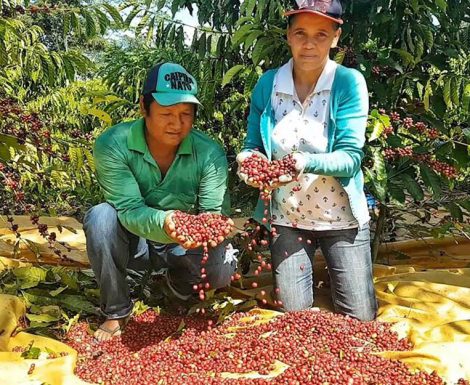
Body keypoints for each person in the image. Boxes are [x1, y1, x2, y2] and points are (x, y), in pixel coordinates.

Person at [237, 0, 377, 321]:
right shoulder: (268, 85)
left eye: (321, 34)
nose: (309, 43)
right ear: (288, 35)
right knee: (294, 320)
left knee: (361, 320)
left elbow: (350, 159)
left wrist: (302, 162)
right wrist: (249, 163)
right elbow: (253, 146)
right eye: (300, 32)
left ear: (336, 37)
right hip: (288, 220)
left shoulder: (347, 83)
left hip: (341, 220)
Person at [84, 62, 237, 341]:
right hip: (138, 241)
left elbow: (211, 213)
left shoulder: (209, 152)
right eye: (166, 113)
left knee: (222, 266)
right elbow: (129, 209)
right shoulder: (113, 143)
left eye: (185, 115)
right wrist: (167, 222)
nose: (176, 124)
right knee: (100, 217)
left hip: (182, 245)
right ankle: (117, 309)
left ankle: (176, 286)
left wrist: (213, 226)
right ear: (144, 107)